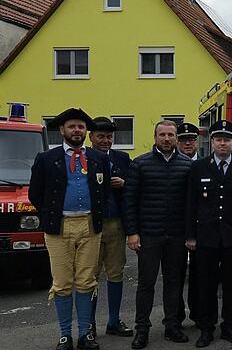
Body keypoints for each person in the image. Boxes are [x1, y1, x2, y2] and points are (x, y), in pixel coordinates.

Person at [29, 108, 110, 350]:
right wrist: (51, 216)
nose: (77, 130)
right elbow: (35, 194)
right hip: (59, 227)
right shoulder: (46, 159)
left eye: (81, 127)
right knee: (62, 283)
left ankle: (85, 334)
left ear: (86, 131)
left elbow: (104, 192)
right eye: (72, 126)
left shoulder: (98, 158)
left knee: (86, 281)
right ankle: (65, 335)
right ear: (62, 130)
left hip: (89, 226)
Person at [123, 120, 192, 349]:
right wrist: (132, 233)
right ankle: (142, 329)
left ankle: (172, 326)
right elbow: (129, 201)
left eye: (170, 135)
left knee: (174, 283)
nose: (166, 139)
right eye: (162, 135)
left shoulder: (186, 165)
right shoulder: (140, 164)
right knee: (146, 283)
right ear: (155, 137)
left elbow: (190, 204)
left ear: (176, 138)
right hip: (149, 235)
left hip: (176, 235)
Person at [185, 120, 232, 347]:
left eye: (226, 139)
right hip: (206, 237)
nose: (222, 143)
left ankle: (230, 327)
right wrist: (191, 235)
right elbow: (191, 205)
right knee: (206, 285)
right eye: (218, 139)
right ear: (212, 142)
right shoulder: (198, 168)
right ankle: (206, 327)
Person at [87, 117, 133, 338]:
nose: (105, 141)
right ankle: (89, 323)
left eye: (109, 137)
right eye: (101, 136)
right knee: (90, 275)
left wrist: (125, 183)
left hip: (116, 223)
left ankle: (114, 321)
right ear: (91, 137)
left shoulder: (123, 158)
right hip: (91, 225)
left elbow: (135, 187)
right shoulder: (83, 157)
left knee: (116, 273)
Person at [175, 122, 200, 327]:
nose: (188, 143)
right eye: (183, 140)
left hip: (200, 228)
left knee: (198, 276)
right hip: (175, 227)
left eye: (191, 139)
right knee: (176, 274)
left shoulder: (204, 164)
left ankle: (197, 314)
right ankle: (175, 316)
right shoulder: (171, 163)